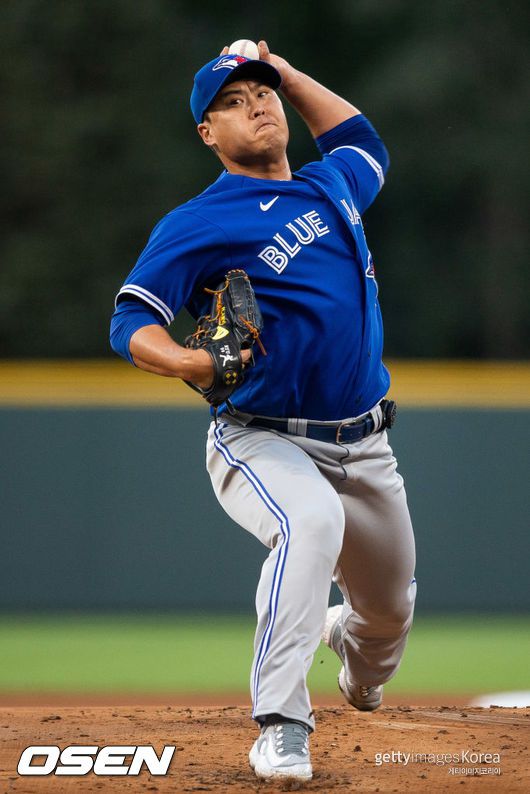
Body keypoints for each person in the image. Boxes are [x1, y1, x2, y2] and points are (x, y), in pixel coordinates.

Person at [110, 41, 417, 782]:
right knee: (310, 523)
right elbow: (130, 321)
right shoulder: (200, 220)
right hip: (263, 437)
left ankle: (354, 655)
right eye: (232, 100)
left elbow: (363, 141)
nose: (256, 104)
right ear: (207, 135)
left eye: (262, 93)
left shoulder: (331, 183)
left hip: (367, 444)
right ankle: (281, 723)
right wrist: (186, 360)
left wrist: (284, 70)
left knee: (389, 617)